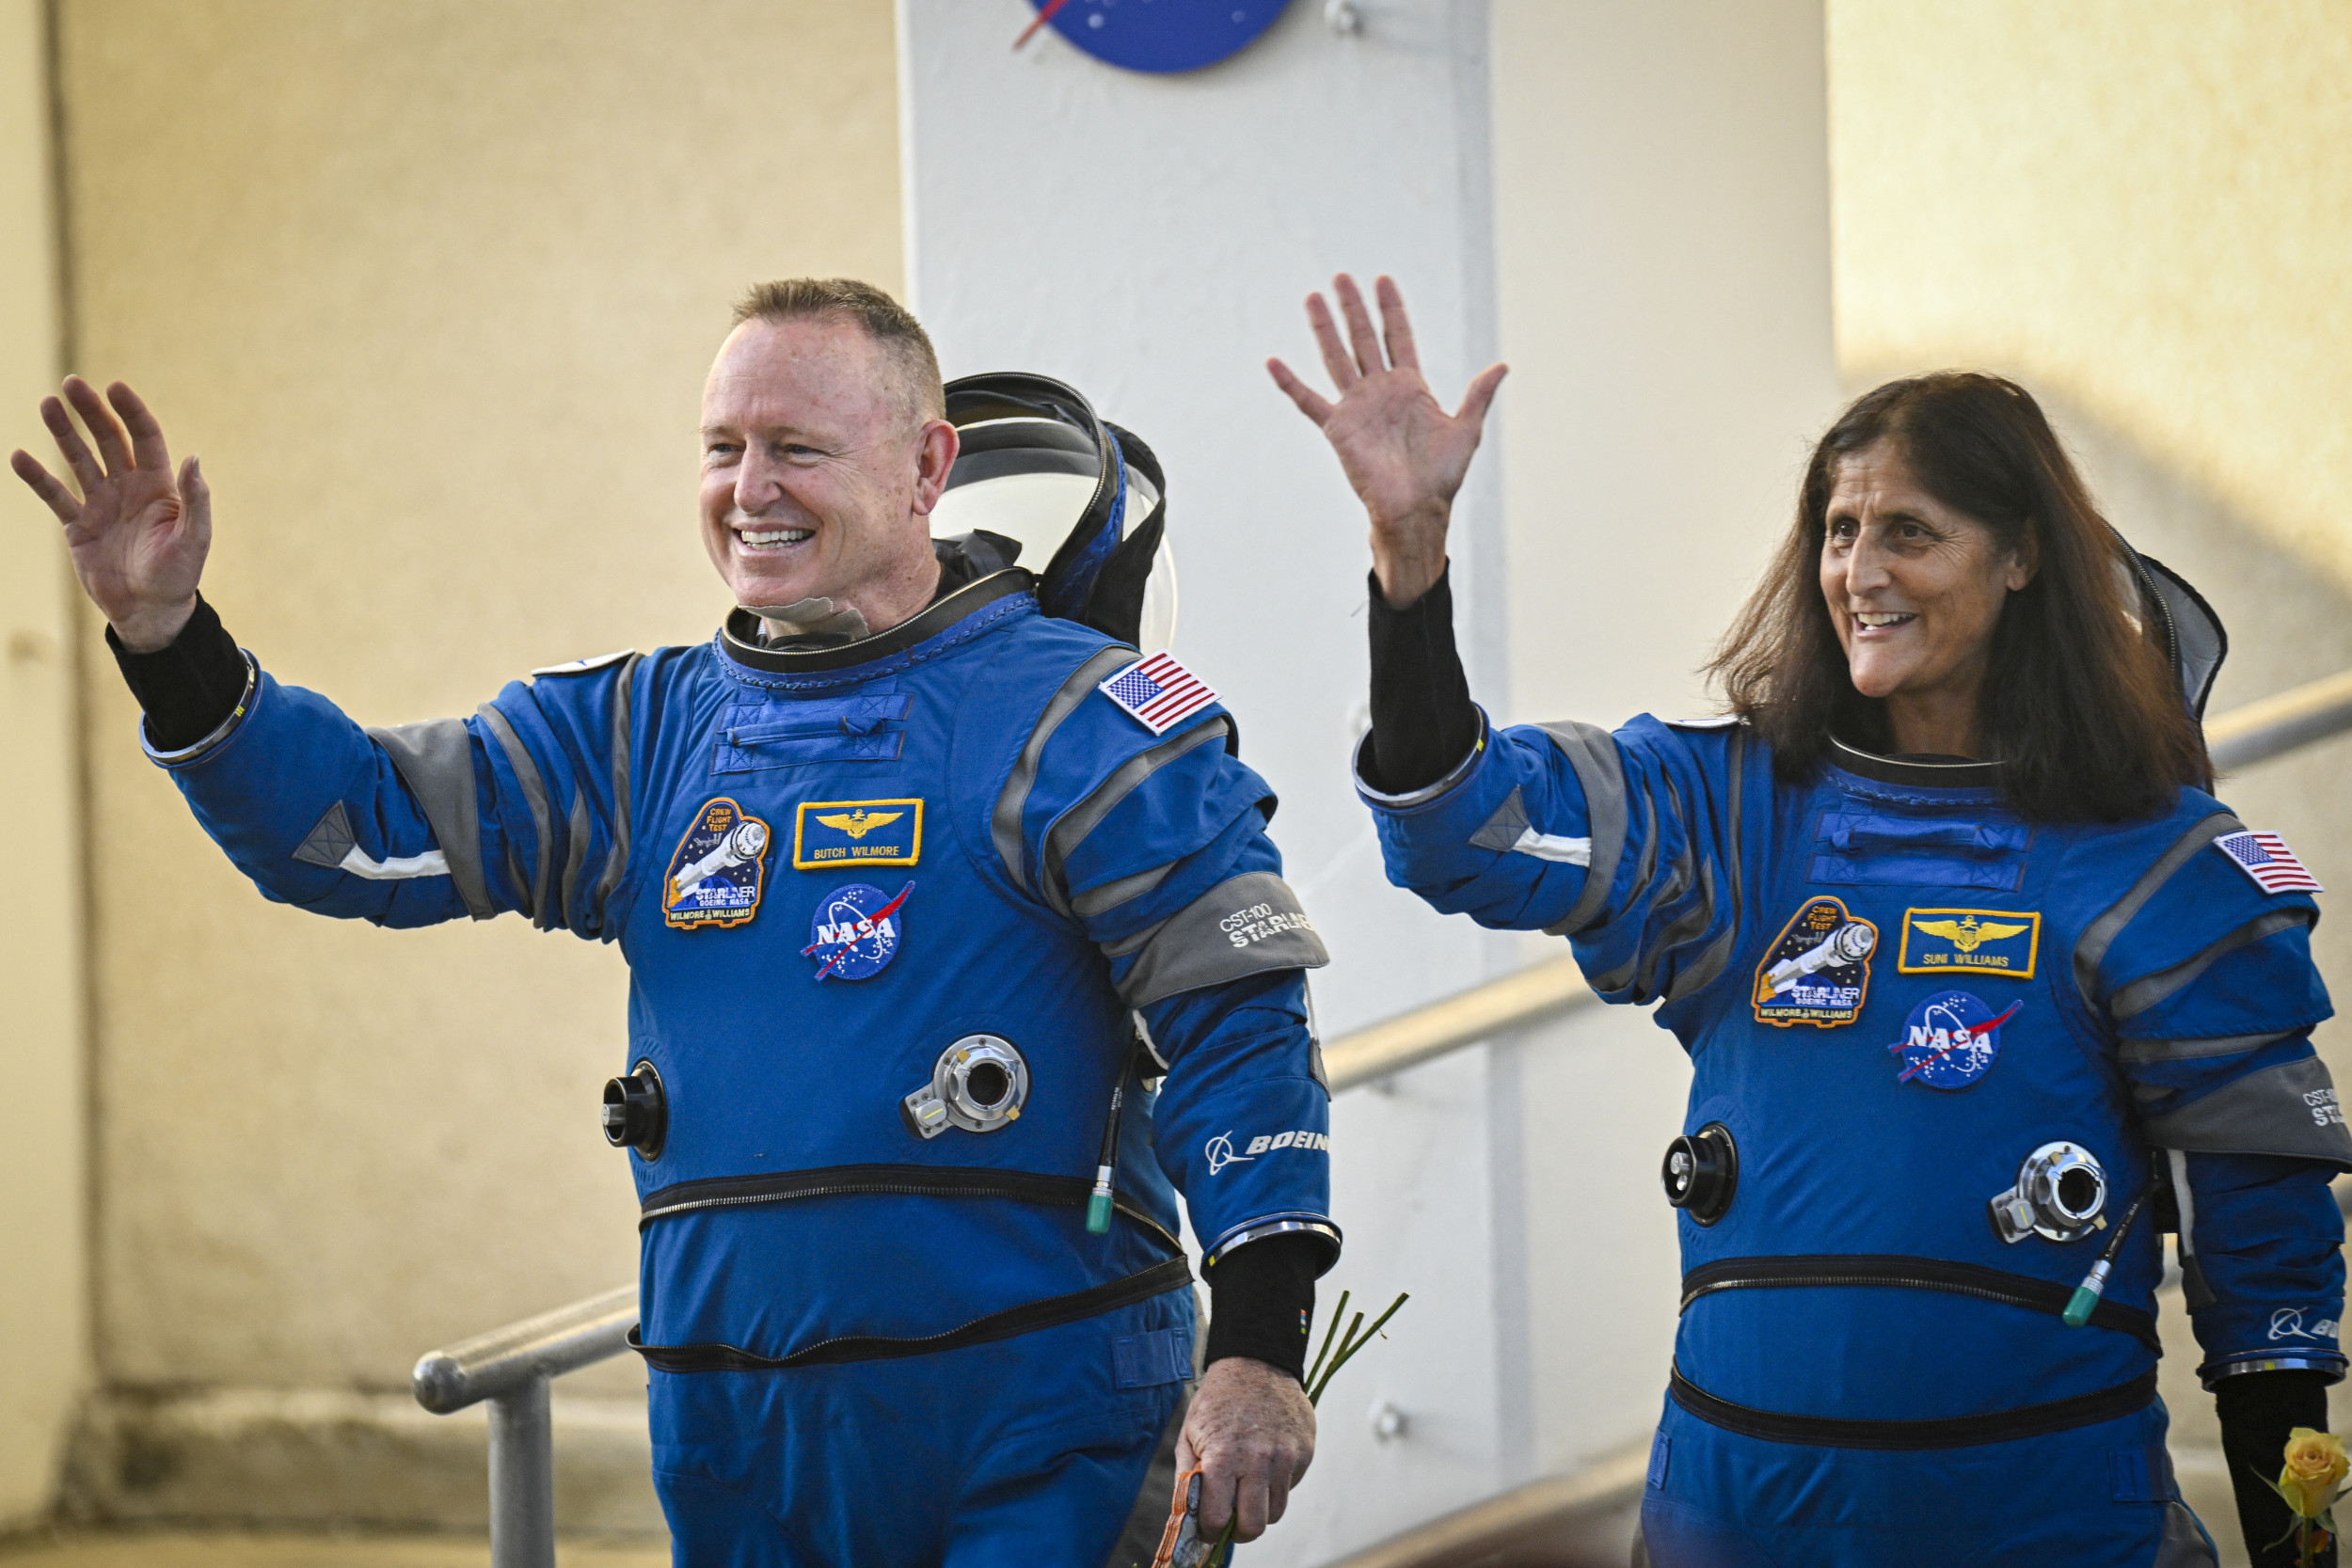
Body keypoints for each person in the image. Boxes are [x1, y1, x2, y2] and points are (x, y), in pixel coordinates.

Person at [14, 277, 1339, 1568]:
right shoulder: (639, 734)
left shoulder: (1084, 722)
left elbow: (1238, 1022)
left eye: (798, 449)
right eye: (723, 448)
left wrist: (1259, 1346)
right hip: (736, 1433)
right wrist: (169, 634)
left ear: (928, 467)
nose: (750, 490)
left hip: (1046, 1426)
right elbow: (358, 835)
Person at [1268, 273, 2350, 1568]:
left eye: (1910, 531)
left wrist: (2301, 1546)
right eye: (1839, 530)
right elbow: (1465, 828)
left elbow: (2267, 1272)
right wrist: (1412, 563)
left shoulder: (2157, 863)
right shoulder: (1731, 815)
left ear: (2020, 559)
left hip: (2042, 1527)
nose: (1859, 571)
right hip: (1735, 1519)